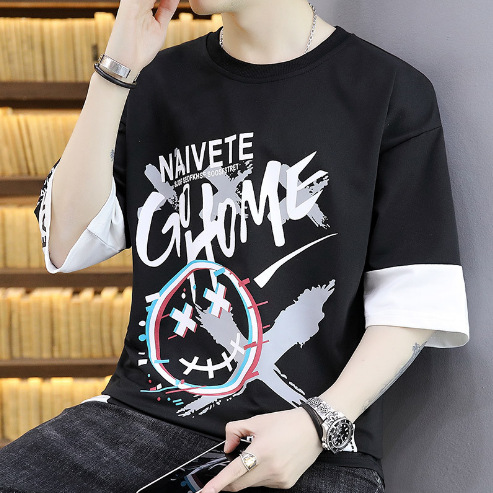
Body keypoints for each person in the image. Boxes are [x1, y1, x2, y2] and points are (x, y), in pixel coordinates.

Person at [0, 0, 470, 492]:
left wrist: (319, 422)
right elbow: (67, 243)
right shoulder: (156, 82)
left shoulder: (386, 90)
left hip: (305, 447)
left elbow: (414, 301)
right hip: (136, 419)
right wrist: (117, 69)